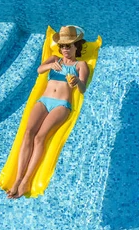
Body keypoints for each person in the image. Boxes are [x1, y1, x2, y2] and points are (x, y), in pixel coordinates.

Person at [7, 25, 90, 199]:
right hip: (43, 101)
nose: (65, 49)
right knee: (28, 133)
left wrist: (76, 81)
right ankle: (17, 179)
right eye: (62, 46)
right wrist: (51, 65)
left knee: (40, 137)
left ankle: (26, 180)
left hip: (61, 105)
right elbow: (39, 70)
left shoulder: (80, 64)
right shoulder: (54, 59)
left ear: (76, 46)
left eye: (68, 46)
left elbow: (82, 89)